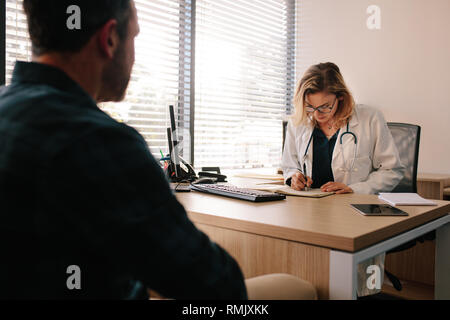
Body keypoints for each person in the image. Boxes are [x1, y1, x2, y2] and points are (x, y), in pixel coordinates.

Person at [0, 0, 316, 300]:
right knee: (296, 289)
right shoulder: (98, 140)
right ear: (109, 38)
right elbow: (219, 286)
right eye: (134, 36)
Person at [282, 62, 405, 195]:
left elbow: (391, 170)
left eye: (325, 106)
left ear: (340, 96)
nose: (317, 114)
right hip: (309, 204)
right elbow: (289, 166)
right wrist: (294, 177)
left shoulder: (370, 118)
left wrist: (355, 189)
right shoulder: (298, 122)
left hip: (352, 205)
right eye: (310, 106)